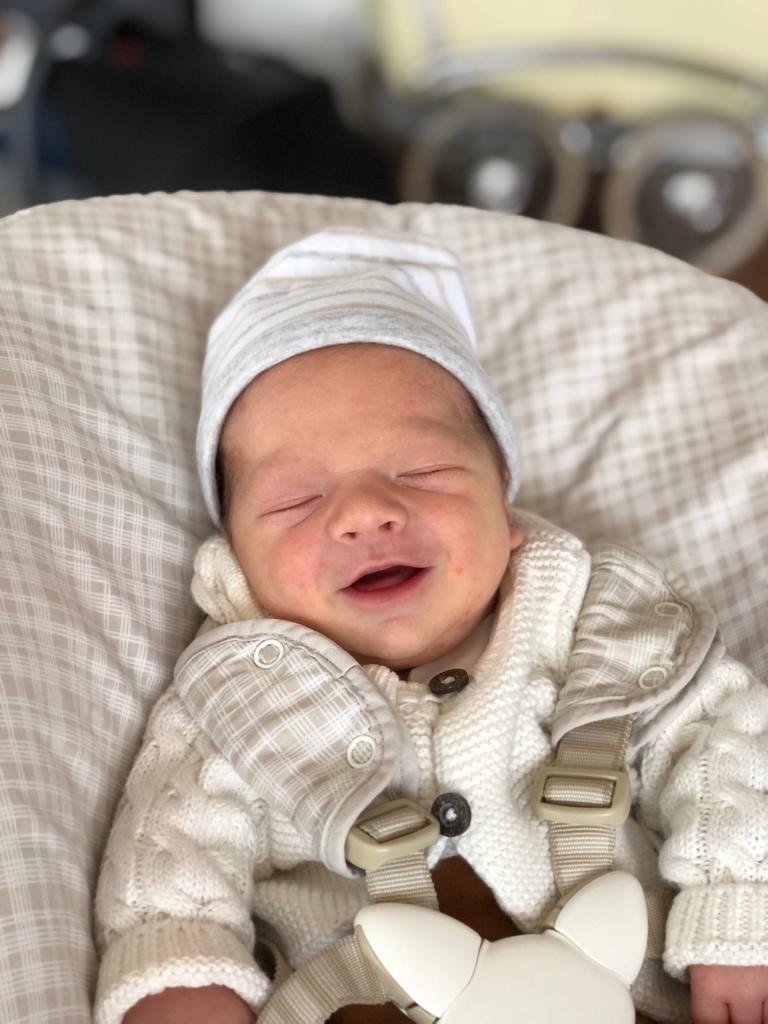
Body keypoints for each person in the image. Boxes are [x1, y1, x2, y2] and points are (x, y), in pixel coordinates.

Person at [92, 228, 768, 1024]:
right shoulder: (236, 699)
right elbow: (172, 849)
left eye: (423, 472)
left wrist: (739, 907)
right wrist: (180, 974)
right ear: (238, 555)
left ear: (503, 501)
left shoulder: (595, 623)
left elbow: (723, 746)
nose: (367, 512)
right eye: (297, 501)